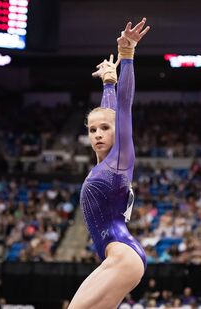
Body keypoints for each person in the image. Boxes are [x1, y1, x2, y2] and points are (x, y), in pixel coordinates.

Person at [68, 18, 150, 309]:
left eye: (104, 128)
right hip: (115, 257)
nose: (98, 134)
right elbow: (110, 112)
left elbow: (122, 110)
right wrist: (107, 81)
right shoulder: (105, 164)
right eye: (92, 130)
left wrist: (126, 55)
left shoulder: (120, 159)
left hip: (122, 255)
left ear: (118, 132)